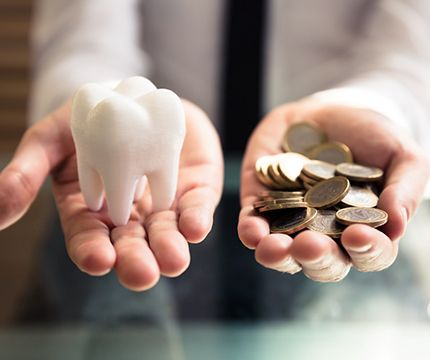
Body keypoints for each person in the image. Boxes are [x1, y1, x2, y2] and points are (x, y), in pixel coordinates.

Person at [1, 0, 429, 292]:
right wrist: (93, 106)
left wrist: (374, 108)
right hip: (158, 152)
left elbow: (411, 47)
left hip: (367, 276)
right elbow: (84, 34)